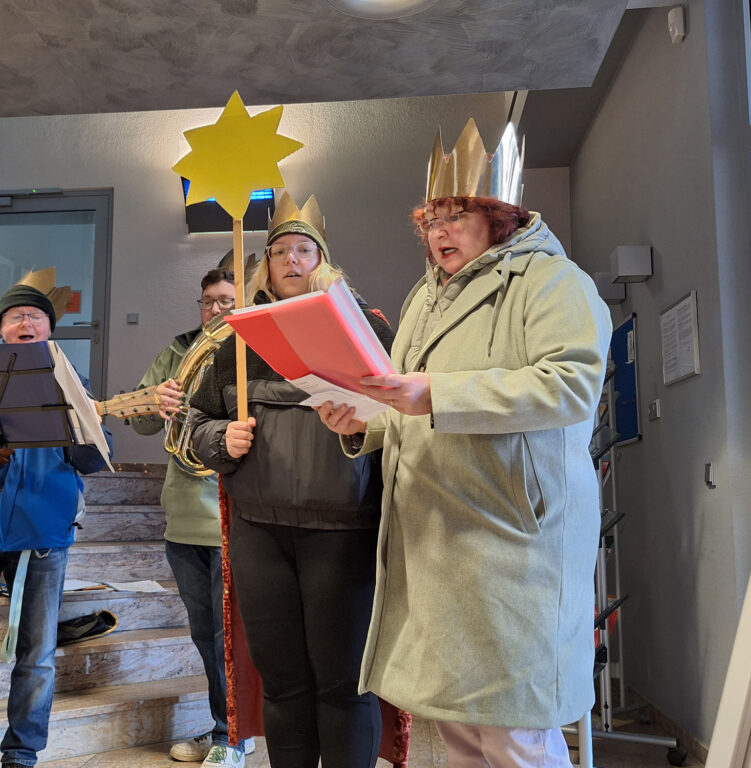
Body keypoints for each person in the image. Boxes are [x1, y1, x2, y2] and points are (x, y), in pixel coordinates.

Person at [316, 119, 612, 768]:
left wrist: (437, 396)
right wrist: (364, 422)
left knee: (514, 737)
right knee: (456, 732)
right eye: (430, 219)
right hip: (435, 544)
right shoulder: (423, 298)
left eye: (456, 215)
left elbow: (570, 387)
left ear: (500, 217)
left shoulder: (552, 283)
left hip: (508, 545)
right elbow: (403, 399)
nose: (438, 232)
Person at [187, 192, 395, 768]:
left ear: (324, 261)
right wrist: (218, 440)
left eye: (305, 249)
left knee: (343, 685)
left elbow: (400, 416)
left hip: (342, 529)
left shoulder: (367, 325)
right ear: (265, 265)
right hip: (260, 531)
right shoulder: (235, 339)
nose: (292, 260)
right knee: (282, 683)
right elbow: (193, 423)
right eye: (280, 251)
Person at [0, 270, 113, 768]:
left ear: (49, 329)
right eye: (15, 316)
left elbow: (94, 462)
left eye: (35, 316)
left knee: (37, 656)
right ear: (2, 327)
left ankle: (22, 756)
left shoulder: (72, 380)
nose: (25, 323)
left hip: (43, 533)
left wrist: (85, 430)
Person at [128, 265, 255, 767]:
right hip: (182, 515)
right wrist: (154, 401)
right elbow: (137, 422)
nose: (216, 310)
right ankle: (224, 727)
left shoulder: (250, 350)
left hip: (232, 512)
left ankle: (235, 736)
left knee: (230, 634)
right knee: (205, 634)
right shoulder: (176, 353)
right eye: (208, 302)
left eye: (226, 300)